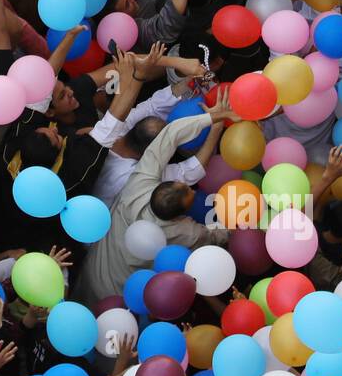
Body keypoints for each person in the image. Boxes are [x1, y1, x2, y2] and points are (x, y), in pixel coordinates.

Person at [76, 95, 236, 306]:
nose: (192, 189)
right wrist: (239, 216)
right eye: (189, 191)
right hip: (120, 301)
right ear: (181, 215)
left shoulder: (138, 185)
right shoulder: (184, 232)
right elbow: (218, 235)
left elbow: (170, 135)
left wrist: (212, 118)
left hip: (90, 276)